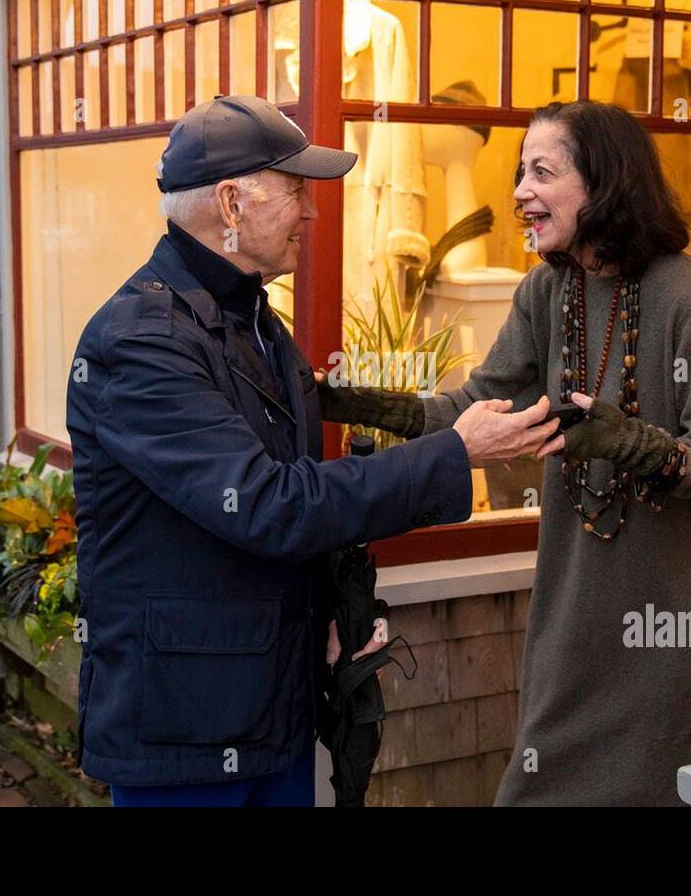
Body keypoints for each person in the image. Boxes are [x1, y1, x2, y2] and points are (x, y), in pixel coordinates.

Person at [65, 95, 559, 807]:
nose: (312, 212)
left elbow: (289, 494)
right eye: (296, 190)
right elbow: (269, 504)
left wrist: (329, 614)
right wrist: (453, 453)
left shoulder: (253, 319)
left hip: (273, 709)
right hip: (185, 732)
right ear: (231, 204)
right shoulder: (139, 343)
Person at [323, 101, 691, 804]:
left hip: (669, 634)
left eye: (540, 172)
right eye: (521, 171)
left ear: (604, 183)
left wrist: (634, 444)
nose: (519, 191)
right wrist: (361, 402)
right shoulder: (548, 291)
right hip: (570, 622)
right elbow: (469, 409)